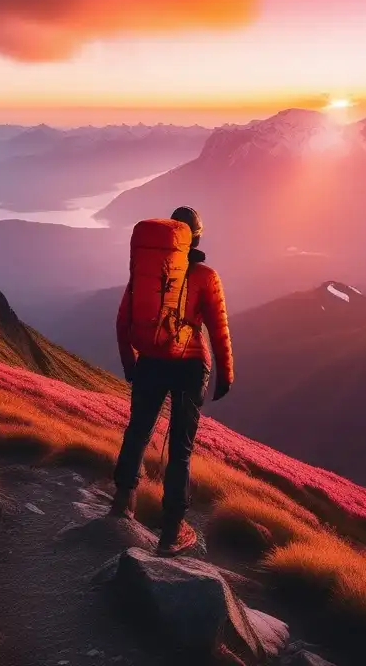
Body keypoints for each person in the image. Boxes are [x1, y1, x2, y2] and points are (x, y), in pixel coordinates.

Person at [110, 206, 234, 556]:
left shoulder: (146, 274)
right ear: (196, 236)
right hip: (190, 366)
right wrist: (226, 373)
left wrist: (130, 364)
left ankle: (123, 502)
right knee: (180, 449)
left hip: (150, 361)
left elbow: (122, 322)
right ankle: (171, 531)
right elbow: (218, 329)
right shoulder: (206, 276)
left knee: (138, 430)